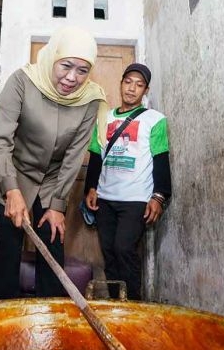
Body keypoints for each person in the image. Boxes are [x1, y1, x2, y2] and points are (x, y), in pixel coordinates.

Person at [0, 26, 108, 299]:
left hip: (52, 179)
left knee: (52, 240)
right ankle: (3, 312)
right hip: (12, 170)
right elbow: (1, 140)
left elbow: (74, 156)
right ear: (53, 57)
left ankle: (50, 315)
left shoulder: (90, 99)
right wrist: (12, 189)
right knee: (9, 244)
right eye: (66, 66)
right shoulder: (21, 81)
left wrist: (57, 206)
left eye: (82, 70)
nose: (71, 78)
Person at [84, 63, 172, 300]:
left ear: (146, 90)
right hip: (105, 197)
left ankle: (133, 304)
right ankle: (116, 303)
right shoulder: (105, 118)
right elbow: (95, 155)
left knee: (124, 249)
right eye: (128, 82)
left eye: (139, 84)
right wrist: (91, 187)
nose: (132, 88)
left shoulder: (155, 120)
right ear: (121, 83)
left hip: (135, 199)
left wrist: (159, 196)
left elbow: (161, 159)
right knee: (109, 252)